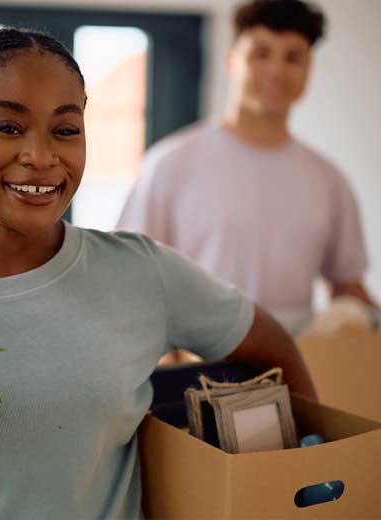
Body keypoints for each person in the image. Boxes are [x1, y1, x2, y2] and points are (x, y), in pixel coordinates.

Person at [0, 28, 316, 519]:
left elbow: (275, 348)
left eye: (65, 130)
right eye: (8, 127)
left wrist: (300, 485)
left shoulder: (141, 273)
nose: (41, 156)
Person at [117, 0, 376, 335]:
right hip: (195, 365)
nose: (276, 71)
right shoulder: (169, 164)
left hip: (297, 368)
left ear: (309, 70)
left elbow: (348, 288)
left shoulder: (328, 179)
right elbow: (129, 280)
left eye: (293, 57)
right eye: (261, 53)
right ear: (230, 59)